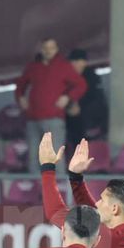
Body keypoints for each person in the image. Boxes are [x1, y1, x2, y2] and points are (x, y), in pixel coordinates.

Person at [14, 38, 86, 172]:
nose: (48, 51)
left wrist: (67, 97)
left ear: (56, 49)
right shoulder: (33, 67)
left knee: (54, 157)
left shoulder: (63, 66)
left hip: (54, 118)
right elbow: (20, 85)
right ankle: (35, 185)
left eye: (51, 48)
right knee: (33, 157)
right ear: (41, 50)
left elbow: (81, 85)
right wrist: (21, 98)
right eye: (45, 48)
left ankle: (57, 185)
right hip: (33, 118)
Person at [65, 48, 108, 148]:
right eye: (73, 62)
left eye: (78, 62)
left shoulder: (91, 76)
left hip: (92, 121)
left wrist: (78, 105)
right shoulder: (68, 77)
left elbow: (95, 97)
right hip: (74, 122)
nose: (75, 65)